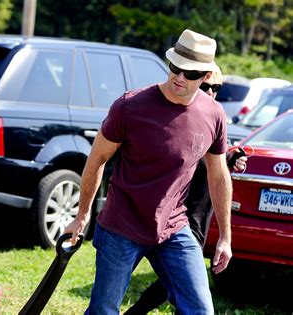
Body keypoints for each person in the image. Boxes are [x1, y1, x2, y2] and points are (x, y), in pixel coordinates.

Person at [64, 29, 233, 314]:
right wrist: (81, 217)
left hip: (173, 228)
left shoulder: (213, 115)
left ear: (206, 76)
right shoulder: (130, 106)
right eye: (175, 67)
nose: (179, 77)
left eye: (190, 73)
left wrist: (225, 237)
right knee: (103, 310)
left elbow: (219, 176)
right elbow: (97, 160)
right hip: (122, 225)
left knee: (201, 310)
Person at [124, 69, 247, 314]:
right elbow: (189, 155)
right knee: (182, 289)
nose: (211, 92)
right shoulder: (181, 114)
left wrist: (229, 159)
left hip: (200, 216)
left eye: (217, 88)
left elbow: (213, 163)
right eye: (206, 87)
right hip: (179, 218)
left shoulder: (214, 116)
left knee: (180, 289)